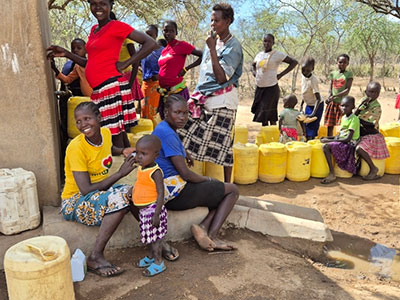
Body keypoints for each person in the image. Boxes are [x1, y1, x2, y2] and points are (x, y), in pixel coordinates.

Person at [46, 0, 156, 148]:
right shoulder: (94, 30)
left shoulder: (116, 26)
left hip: (110, 87)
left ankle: (120, 169)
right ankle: (130, 167)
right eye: (94, 3)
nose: (98, 8)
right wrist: (66, 53)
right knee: (119, 135)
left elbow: (150, 43)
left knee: (112, 138)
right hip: (101, 89)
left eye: (103, 3)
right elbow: (90, 63)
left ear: (111, 5)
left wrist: (126, 63)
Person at [153, 94, 239, 251]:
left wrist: (185, 153)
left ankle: (203, 228)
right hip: (175, 194)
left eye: (185, 113)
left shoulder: (164, 128)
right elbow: (186, 174)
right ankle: (212, 235)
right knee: (232, 190)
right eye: (177, 112)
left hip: (168, 189)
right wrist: (207, 180)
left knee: (219, 191)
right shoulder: (168, 133)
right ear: (166, 112)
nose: (182, 117)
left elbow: (171, 148)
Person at [61, 101, 136, 277]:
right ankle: (95, 256)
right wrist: (120, 173)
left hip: (100, 192)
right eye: (78, 121)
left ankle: (154, 241)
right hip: (75, 201)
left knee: (135, 191)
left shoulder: (105, 133)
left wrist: (123, 150)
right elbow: (86, 190)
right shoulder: (76, 148)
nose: (83, 125)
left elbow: (108, 147)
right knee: (119, 198)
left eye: (87, 118)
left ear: (99, 117)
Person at [180, 3, 243, 183]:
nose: (212, 24)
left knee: (223, 144)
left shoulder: (233, 47)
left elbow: (222, 78)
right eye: (211, 20)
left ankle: (227, 185)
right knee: (184, 131)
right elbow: (205, 72)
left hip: (223, 100)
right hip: (204, 98)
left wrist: (213, 49)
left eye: (216, 21)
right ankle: (183, 175)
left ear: (228, 21)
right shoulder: (212, 42)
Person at [132, 135, 167, 277]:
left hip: (153, 211)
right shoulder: (142, 168)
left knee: (156, 240)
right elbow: (142, 184)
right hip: (145, 212)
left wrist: (157, 214)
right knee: (148, 238)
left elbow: (160, 194)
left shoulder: (156, 172)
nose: (139, 157)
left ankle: (159, 262)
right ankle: (151, 257)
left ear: (156, 155)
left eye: (144, 154)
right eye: (137, 152)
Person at [157, 20, 203, 118]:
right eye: (166, 31)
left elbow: (202, 55)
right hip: (164, 92)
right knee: (166, 121)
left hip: (177, 91)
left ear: (176, 33)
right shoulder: (165, 50)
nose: (168, 33)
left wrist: (186, 69)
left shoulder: (181, 45)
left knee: (178, 121)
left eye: (171, 31)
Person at [251, 33, 298, 126]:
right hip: (260, 88)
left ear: (273, 43)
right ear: (262, 42)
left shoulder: (277, 54)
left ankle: (274, 137)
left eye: (269, 41)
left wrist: (281, 74)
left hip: (271, 88)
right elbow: (253, 65)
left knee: (271, 115)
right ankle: (266, 137)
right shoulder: (259, 55)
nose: (267, 43)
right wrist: (254, 73)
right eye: (265, 41)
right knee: (262, 117)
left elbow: (294, 62)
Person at [354, 82, 389, 180]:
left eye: (376, 92)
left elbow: (370, 125)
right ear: (366, 92)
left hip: (372, 136)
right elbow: (354, 114)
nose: (373, 95)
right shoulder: (362, 101)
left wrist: (356, 118)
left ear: (379, 94)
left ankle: (374, 169)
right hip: (360, 132)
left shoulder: (376, 107)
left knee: (359, 149)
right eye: (371, 92)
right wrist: (359, 108)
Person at [321, 96, 360, 184]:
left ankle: (331, 173)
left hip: (350, 143)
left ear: (353, 107)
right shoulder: (343, 118)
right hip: (343, 140)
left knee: (326, 147)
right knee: (325, 141)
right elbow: (340, 135)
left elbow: (348, 138)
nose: (344, 108)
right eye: (342, 106)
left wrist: (329, 141)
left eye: (347, 106)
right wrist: (328, 138)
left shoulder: (354, 119)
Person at [324, 54, 353, 137]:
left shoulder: (349, 74)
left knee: (343, 123)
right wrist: (329, 96)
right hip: (332, 103)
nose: (342, 64)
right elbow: (330, 87)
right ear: (337, 63)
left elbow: (347, 90)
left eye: (344, 62)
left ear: (347, 64)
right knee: (330, 124)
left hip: (342, 104)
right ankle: (329, 139)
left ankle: (342, 139)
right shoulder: (333, 74)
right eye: (340, 62)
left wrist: (335, 96)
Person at [141, 25, 163, 123]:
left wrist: (160, 75)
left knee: (152, 113)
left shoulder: (162, 51)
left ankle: (153, 135)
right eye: (146, 35)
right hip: (144, 85)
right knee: (143, 111)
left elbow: (169, 66)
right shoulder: (141, 49)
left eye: (151, 35)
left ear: (156, 35)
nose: (148, 37)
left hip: (156, 86)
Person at [300, 57, 322, 140]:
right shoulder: (303, 77)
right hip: (308, 104)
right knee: (305, 125)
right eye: (303, 70)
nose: (304, 72)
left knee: (312, 127)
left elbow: (318, 99)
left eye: (307, 70)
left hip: (316, 106)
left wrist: (313, 113)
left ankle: (311, 142)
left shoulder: (313, 80)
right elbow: (304, 92)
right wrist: (301, 105)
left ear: (312, 69)